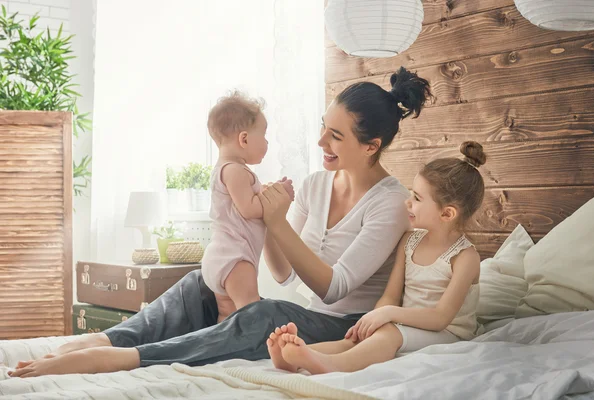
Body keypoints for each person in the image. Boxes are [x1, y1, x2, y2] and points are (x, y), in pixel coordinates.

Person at [9, 67, 431, 378]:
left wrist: (276, 220)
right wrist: (265, 221)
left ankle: (128, 359)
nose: (321, 141)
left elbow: (332, 286)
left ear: (371, 145)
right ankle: (105, 340)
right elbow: (283, 275)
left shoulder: (391, 203)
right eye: (324, 127)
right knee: (203, 282)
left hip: (344, 324)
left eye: (336, 136)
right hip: (305, 310)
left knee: (265, 313)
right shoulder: (317, 184)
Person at [267, 141, 486, 375]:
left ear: (447, 213)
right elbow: (390, 296)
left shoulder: (465, 257)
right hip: (407, 324)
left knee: (388, 335)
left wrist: (388, 315)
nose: (407, 202)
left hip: (449, 334)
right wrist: (375, 317)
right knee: (358, 338)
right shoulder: (409, 241)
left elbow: (441, 318)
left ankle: (331, 366)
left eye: (418, 199)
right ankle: (297, 357)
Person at [202, 91, 293, 322]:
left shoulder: (225, 169)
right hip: (235, 258)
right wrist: (278, 198)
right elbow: (249, 209)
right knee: (249, 311)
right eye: (263, 135)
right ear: (243, 139)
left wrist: (265, 194)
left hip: (221, 256)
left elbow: (246, 204)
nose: (267, 142)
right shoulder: (235, 170)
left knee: (227, 314)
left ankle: (220, 351)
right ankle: (250, 345)